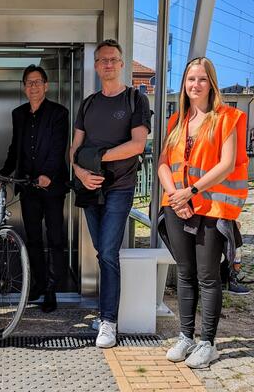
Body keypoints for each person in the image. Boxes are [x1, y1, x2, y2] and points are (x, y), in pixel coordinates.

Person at [158, 57, 249, 368]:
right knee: (185, 274)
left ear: (212, 83)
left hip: (211, 207)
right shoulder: (176, 121)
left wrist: (191, 193)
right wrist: (175, 196)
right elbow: (162, 165)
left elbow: (226, 164)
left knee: (208, 277)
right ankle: (186, 336)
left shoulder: (226, 118)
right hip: (177, 207)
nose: (194, 85)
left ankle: (207, 343)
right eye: (189, 79)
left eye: (201, 79)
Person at [69, 39, 151, 348]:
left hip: (119, 187)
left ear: (121, 63)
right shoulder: (88, 103)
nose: (107, 64)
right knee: (103, 253)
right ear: (96, 65)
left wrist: (98, 158)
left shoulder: (134, 100)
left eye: (113, 59)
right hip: (89, 188)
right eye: (102, 60)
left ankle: (108, 322)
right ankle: (105, 314)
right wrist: (79, 170)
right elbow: (74, 149)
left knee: (108, 253)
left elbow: (137, 145)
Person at [0, 65, 70, 313]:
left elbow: (59, 146)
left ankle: (52, 289)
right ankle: (39, 284)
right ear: (24, 87)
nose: (33, 86)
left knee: (55, 238)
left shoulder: (59, 113)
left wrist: (48, 175)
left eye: (38, 82)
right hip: (28, 187)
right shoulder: (18, 114)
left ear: (46, 85)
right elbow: (14, 148)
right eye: (29, 83)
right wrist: (4, 174)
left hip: (52, 189)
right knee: (33, 239)